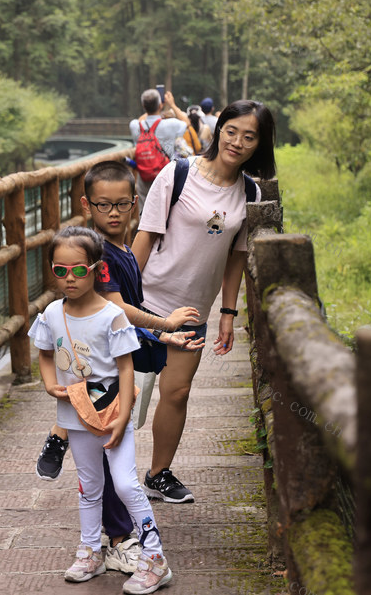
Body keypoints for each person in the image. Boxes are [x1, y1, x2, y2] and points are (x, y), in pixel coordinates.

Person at [33, 162, 202, 574]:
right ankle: (116, 539)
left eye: (122, 204)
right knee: (103, 478)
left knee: (111, 474)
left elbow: (117, 321)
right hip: (89, 388)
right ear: (87, 205)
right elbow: (117, 308)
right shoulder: (98, 257)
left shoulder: (121, 250)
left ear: (135, 204)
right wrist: (164, 324)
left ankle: (126, 544)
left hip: (111, 386)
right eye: (103, 205)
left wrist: (161, 338)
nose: (113, 212)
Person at [132, 100, 277, 504]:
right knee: (122, 393)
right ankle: (107, 473)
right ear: (220, 129)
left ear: (260, 144)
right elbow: (144, 236)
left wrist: (228, 313)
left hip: (193, 310)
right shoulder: (178, 173)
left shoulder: (249, 191)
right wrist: (121, 301)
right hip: (147, 299)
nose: (238, 142)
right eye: (232, 131)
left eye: (249, 137)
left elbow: (236, 256)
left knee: (176, 392)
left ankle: (158, 473)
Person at [29, 226, 174, 594]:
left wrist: (124, 416)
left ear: (96, 268)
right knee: (89, 485)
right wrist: (50, 384)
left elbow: (127, 368)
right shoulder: (50, 313)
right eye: (60, 271)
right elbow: (45, 355)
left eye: (78, 269)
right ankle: (91, 550)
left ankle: (155, 559)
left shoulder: (112, 316)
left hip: (111, 413)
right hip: (75, 415)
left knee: (125, 483)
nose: (70, 278)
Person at [129, 89, 190, 202]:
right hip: (166, 175)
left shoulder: (134, 125)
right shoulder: (172, 124)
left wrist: (150, 106)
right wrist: (172, 104)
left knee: (145, 210)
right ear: (160, 105)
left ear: (143, 106)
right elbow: (186, 122)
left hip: (144, 176)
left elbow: (142, 119)